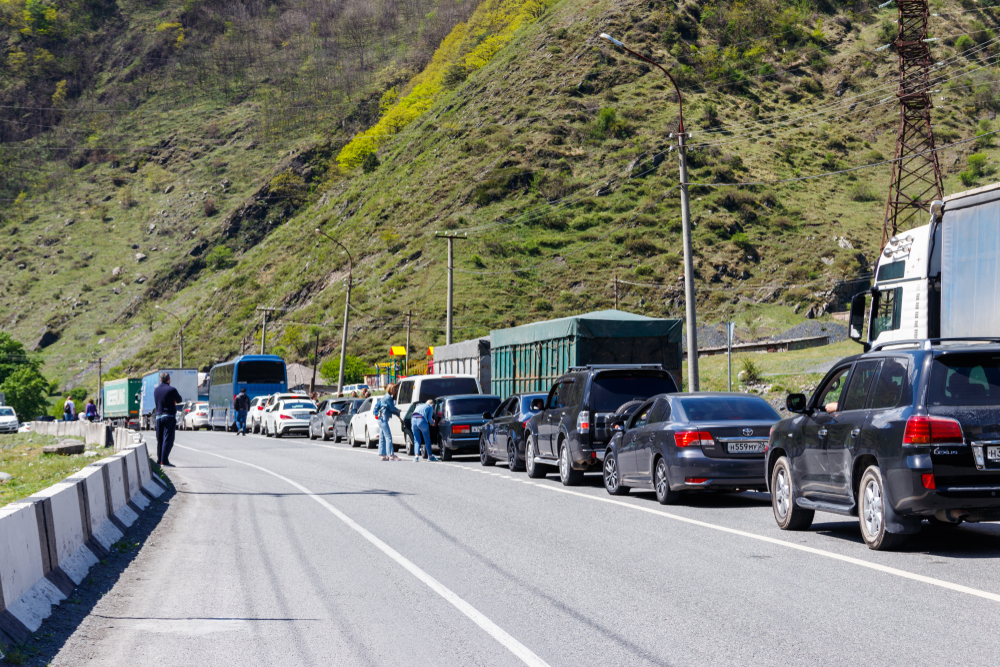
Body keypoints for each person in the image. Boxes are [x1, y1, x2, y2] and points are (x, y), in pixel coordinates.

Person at [153, 372, 183, 467]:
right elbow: (179, 400)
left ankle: (159, 459)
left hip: (158, 417)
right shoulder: (172, 390)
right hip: (169, 417)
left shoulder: (156, 390)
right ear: (169, 379)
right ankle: (164, 460)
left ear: (160, 379)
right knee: (168, 439)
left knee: (160, 439)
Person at [375, 384, 400, 461]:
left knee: (382, 437)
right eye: (394, 390)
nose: (395, 391)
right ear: (391, 390)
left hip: (380, 418)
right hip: (384, 419)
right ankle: (391, 455)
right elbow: (392, 408)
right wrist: (398, 411)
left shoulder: (384, 396)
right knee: (388, 437)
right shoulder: (388, 398)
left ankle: (383, 455)